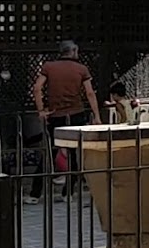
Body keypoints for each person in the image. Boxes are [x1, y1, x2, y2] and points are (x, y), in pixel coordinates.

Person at [28, 40, 101, 202]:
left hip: (56, 114)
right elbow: (89, 93)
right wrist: (96, 115)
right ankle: (68, 192)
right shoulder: (82, 69)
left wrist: (41, 110)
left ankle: (35, 193)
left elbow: (37, 87)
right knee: (75, 153)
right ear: (74, 51)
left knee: (50, 152)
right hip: (76, 113)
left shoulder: (49, 67)